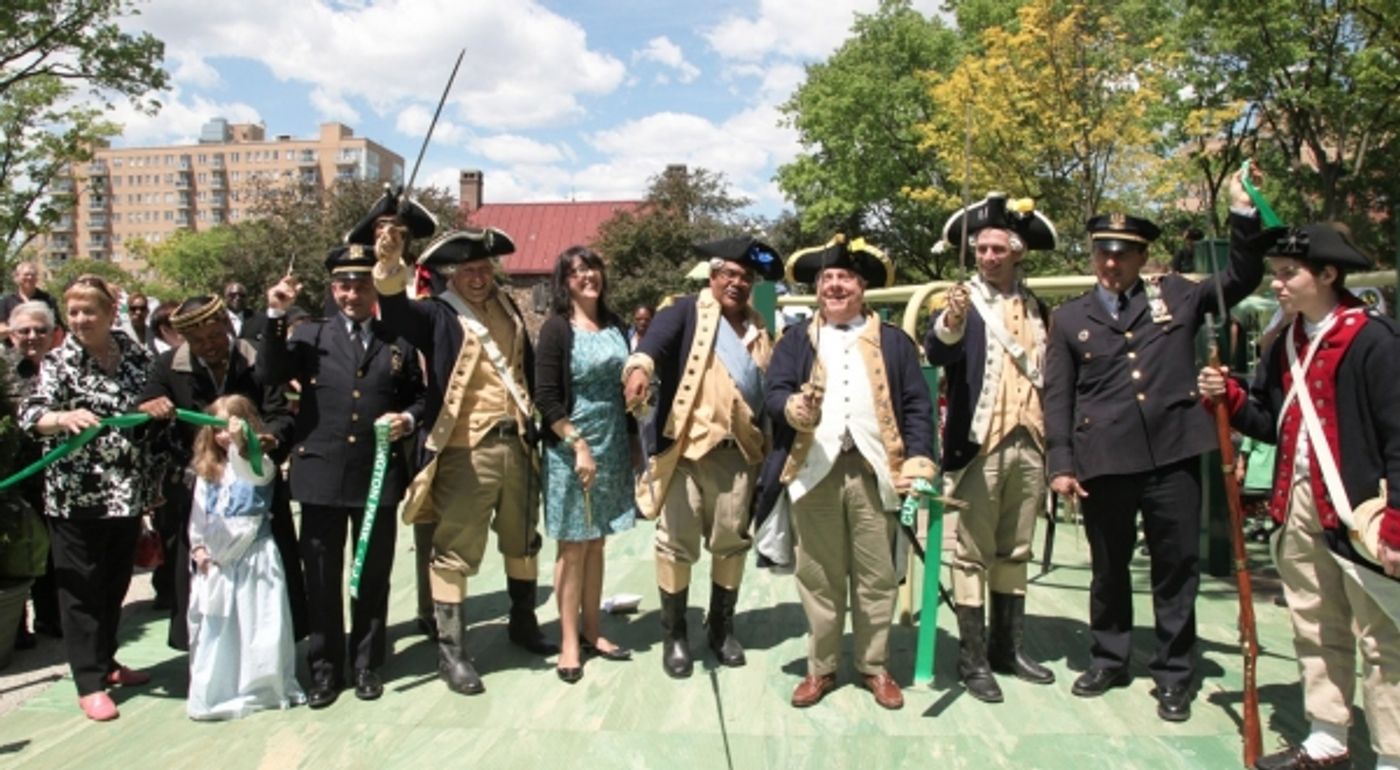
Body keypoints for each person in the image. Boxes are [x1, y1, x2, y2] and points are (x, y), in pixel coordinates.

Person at [1042, 169, 1265, 722]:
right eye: (1102, 254)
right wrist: (1061, 465)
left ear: (1142, 258)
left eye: (1123, 255)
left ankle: (1173, 672)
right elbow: (1058, 396)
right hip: (1105, 460)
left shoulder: (1179, 296)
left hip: (1172, 455)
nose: (1111, 264)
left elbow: (1241, 276)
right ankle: (1109, 656)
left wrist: (1243, 214)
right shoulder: (1070, 318)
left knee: (1176, 567)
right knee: (1109, 567)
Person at [1198, 224, 1400, 770]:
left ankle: (1392, 755)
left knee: (1384, 642)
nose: (1279, 285)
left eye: (1289, 275)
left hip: (1362, 510)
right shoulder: (1287, 342)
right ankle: (1329, 736)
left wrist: (1397, 523)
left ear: (1328, 274)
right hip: (1301, 501)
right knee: (1314, 624)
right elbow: (1272, 421)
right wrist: (1233, 398)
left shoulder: (1375, 340)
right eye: (1277, 275)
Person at [371, 226, 557, 697]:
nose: (478, 277)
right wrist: (391, 266)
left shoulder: (508, 305)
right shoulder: (438, 312)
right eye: (468, 270)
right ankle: (452, 653)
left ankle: (523, 622)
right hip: (463, 449)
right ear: (453, 274)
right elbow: (395, 316)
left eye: (484, 268)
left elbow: (524, 368)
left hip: (515, 444)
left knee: (522, 540)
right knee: (454, 551)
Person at [760, 234, 935, 711]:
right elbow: (772, 393)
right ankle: (821, 668)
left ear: (862, 288)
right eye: (827, 279)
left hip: (875, 470)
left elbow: (918, 406)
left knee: (877, 576)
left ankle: (875, 667)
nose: (835, 286)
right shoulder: (795, 339)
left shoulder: (894, 341)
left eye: (845, 279)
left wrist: (919, 459)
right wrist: (791, 406)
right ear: (818, 288)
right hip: (813, 471)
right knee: (818, 576)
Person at [260, 244, 427, 708]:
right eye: (344, 285)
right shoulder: (309, 336)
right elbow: (270, 372)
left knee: (372, 574)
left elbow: (418, 396)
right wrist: (276, 312)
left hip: (376, 476)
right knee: (321, 577)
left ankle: (367, 664)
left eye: (360, 284)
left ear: (375, 288)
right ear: (332, 290)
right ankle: (324, 670)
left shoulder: (397, 341)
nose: (352, 294)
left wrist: (407, 421)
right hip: (321, 476)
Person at [622, 235, 782, 678]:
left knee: (731, 543)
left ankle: (721, 628)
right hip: (688, 452)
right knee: (675, 545)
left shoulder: (759, 325)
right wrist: (637, 368)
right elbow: (652, 345)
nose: (737, 283)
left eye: (745, 277)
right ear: (712, 277)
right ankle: (674, 634)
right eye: (729, 274)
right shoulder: (684, 311)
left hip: (740, 455)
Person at [924, 193, 1058, 703]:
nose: (987, 257)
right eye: (981, 249)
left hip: (1031, 442)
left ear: (1017, 252)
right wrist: (951, 321)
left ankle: (1009, 648)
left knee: (1015, 550)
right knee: (973, 554)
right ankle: (972, 656)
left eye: (998, 249)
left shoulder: (1037, 306)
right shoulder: (961, 302)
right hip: (982, 446)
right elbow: (937, 351)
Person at [19, 274, 161, 722]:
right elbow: (32, 413)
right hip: (76, 495)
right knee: (80, 588)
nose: (80, 320)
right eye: (74, 312)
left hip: (126, 491)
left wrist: (155, 406)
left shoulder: (134, 353)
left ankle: (108, 660)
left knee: (115, 581)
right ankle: (88, 680)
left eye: (89, 311)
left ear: (109, 313)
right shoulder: (59, 360)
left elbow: (152, 397)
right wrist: (63, 416)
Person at [136, 294, 306, 652]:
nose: (208, 346)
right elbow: (144, 413)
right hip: (200, 488)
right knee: (200, 572)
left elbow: (281, 413)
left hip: (256, 485)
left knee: (268, 569)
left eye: (214, 336)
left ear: (227, 327)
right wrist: (150, 407)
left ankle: (270, 650)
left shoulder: (258, 358)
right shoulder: (168, 366)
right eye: (197, 341)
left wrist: (269, 439)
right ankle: (208, 654)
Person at [535, 246, 636, 684]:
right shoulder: (557, 329)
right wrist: (578, 445)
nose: (588, 276)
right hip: (569, 445)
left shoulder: (616, 323)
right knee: (573, 546)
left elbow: (627, 381)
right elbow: (546, 398)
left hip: (611, 442)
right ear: (564, 282)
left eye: (593, 267)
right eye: (577, 272)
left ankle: (594, 629)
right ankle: (569, 640)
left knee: (597, 542)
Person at [186, 395, 306, 721]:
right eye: (219, 429)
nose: (224, 435)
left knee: (259, 623)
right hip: (218, 561)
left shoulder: (260, 463)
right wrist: (198, 546)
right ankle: (219, 690)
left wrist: (244, 444)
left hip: (254, 557)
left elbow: (254, 473)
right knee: (218, 628)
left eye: (231, 427)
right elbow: (199, 512)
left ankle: (262, 688)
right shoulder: (207, 471)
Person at [3, 301, 62, 647]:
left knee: (55, 549)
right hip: (17, 474)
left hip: (57, 470)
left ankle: (51, 617)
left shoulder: (64, 366)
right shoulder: (3, 369)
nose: (32, 336)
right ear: (11, 335)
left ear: (53, 333)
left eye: (40, 330)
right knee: (20, 549)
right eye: (24, 330)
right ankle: (17, 627)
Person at [0, 261, 62, 340]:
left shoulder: (48, 299)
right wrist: (20, 328)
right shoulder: (6, 301)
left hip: (42, 347)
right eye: (26, 275)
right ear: (16, 278)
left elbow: (57, 326)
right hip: (14, 349)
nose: (30, 277)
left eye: (33, 275)